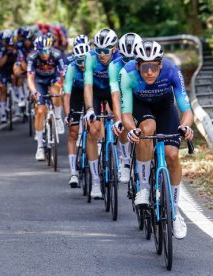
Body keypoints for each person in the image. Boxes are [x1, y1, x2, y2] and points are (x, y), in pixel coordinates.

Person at [120, 39, 194, 239]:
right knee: (147, 129)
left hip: (165, 107)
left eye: (154, 66)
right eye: (145, 67)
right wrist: (131, 129)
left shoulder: (171, 70)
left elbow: (186, 109)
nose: (150, 72)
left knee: (171, 155)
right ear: (138, 65)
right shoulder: (128, 74)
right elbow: (125, 113)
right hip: (141, 106)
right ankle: (143, 188)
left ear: (160, 64)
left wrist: (185, 126)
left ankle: (176, 213)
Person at [83, 28, 121, 199]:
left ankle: (124, 160)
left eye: (105, 51)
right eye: (98, 50)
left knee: (123, 123)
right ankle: (96, 181)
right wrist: (90, 108)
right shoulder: (90, 57)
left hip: (115, 92)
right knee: (93, 129)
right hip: (97, 94)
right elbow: (88, 85)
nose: (101, 54)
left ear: (114, 49)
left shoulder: (120, 58)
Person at [108, 32, 142, 184]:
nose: (128, 62)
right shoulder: (114, 66)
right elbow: (116, 94)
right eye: (125, 58)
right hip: (122, 95)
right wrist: (118, 119)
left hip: (141, 95)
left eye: (132, 58)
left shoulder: (146, 62)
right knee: (122, 123)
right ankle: (126, 161)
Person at [27, 35, 66, 161]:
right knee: (39, 111)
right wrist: (33, 91)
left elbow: (63, 74)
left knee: (56, 91)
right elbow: (30, 77)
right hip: (39, 82)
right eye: (42, 51)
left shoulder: (57, 55)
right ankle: (40, 147)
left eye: (47, 50)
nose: (45, 54)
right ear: (37, 51)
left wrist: (64, 87)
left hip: (53, 79)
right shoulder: (32, 58)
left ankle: (58, 118)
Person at [63, 39, 90, 188]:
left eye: (84, 60)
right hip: (75, 95)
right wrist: (68, 115)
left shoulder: (94, 66)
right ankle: (73, 172)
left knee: (97, 124)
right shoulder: (71, 68)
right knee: (73, 132)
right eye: (79, 60)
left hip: (91, 94)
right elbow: (66, 95)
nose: (82, 63)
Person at [0, 29, 18, 123]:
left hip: (13, 69)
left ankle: (17, 95)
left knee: (17, 76)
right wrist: (7, 55)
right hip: (4, 70)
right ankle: (3, 113)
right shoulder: (1, 48)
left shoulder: (17, 47)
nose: (10, 47)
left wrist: (15, 53)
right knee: (3, 89)